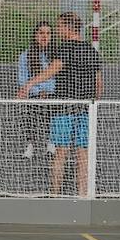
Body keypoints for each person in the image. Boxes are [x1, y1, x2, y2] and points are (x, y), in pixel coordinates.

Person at [17, 11, 103, 196]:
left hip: (65, 108)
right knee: (82, 155)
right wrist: (93, 102)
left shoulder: (65, 48)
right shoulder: (91, 50)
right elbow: (98, 84)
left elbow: (52, 70)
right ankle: (83, 196)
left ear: (67, 27)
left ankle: (54, 195)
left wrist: (30, 83)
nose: (57, 30)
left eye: (59, 26)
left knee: (60, 154)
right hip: (86, 108)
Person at [17, 20, 55, 160]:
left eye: (48, 33)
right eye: (41, 33)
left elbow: (57, 78)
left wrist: (46, 90)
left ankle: (51, 144)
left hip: (52, 94)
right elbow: (22, 79)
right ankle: (30, 145)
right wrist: (38, 91)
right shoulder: (25, 56)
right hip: (33, 94)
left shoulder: (57, 56)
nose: (44, 36)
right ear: (35, 35)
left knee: (53, 110)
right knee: (31, 113)